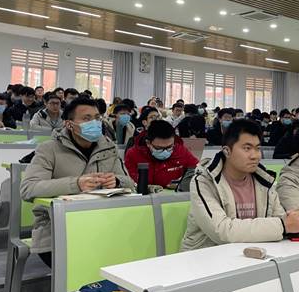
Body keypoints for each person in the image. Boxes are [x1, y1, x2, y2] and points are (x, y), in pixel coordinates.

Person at [20, 97, 136, 265]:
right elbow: (28, 188)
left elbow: (130, 183)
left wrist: (116, 181)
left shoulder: (108, 147)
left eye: (97, 118)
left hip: (103, 224)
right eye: (87, 119)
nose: (94, 123)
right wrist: (76, 184)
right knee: (90, 264)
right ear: (69, 124)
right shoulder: (49, 149)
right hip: (57, 229)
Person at [180, 119, 299, 251]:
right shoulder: (204, 181)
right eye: (247, 148)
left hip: (251, 255)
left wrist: (295, 221)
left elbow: (279, 217)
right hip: (205, 257)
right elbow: (221, 230)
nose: (255, 155)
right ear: (227, 151)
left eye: (257, 148)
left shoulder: (265, 181)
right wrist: (283, 225)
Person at [125, 120, 198, 189]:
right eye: (159, 148)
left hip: (176, 195)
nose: (165, 151)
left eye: (169, 147)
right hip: (144, 196)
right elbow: (129, 182)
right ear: (148, 143)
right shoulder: (133, 154)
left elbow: (197, 168)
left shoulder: (180, 150)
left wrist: (183, 183)